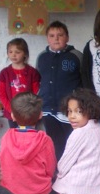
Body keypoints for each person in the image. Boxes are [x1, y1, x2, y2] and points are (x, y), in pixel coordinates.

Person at [0, 92, 56, 194]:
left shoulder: (6, 137)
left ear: (12, 116)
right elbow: (50, 169)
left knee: (22, 187)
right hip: (40, 191)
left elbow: (3, 163)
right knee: (57, 189)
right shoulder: (45, 140)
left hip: (12, 191)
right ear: (40, 115)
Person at [36, 20, 83, 161]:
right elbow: (38, 81)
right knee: (54, 141)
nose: (56, 39)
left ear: (67, 37)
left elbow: (84, 80)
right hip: (48, 107)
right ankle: (58, 167)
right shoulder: (42, 57)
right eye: (52, 36)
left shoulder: (76, 56)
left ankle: (72, 167)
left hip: (69, 108)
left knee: (72, 140)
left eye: (60, 35)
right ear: (47, 38)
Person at [0, 37, 41, 128]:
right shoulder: (4, 73)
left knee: (30, 134)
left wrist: (29, 110)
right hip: (12, 114)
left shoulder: (33, 72)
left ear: (25, 53)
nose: (13, 55)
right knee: (15, 134)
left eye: (17, 52)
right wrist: (12, 110)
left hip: (29, 113)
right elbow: (2, 95)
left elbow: (35, 94)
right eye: (10, 52)